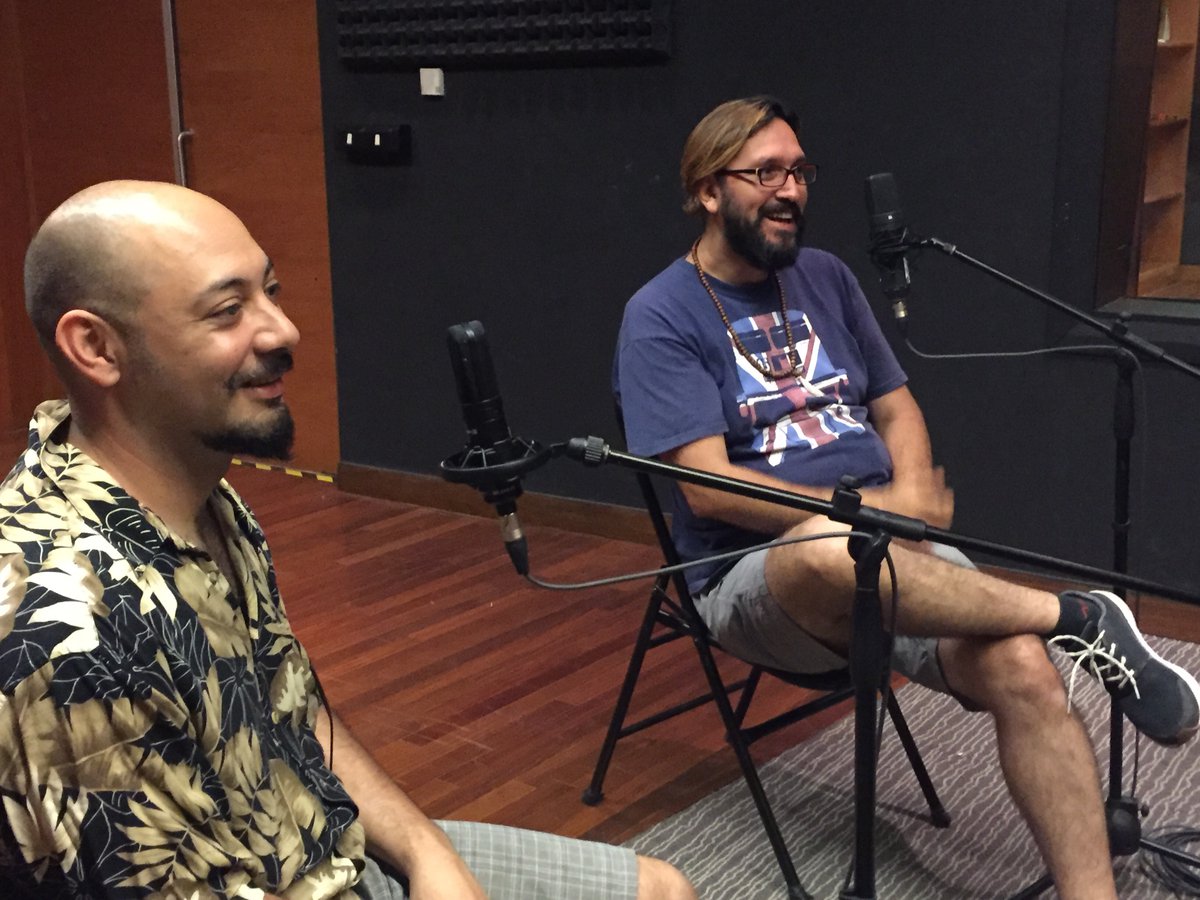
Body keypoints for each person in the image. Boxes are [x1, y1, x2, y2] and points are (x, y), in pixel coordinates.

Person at [0, 180, 696, 900]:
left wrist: (427, 855)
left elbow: (291, 708)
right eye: (228, 311)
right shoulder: (61, 633)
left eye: (270, 292)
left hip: (322, 848)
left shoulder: (199, 494)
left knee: (660, 890)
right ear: (96, 347)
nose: (283, 331)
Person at [613, 95, 1200, 900]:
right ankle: (1077, 617)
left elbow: (895, 405)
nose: (790, 191)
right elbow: (706, 489)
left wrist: (914, 487)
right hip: (757, 577)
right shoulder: (659, 314)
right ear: (708, 190)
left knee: (1023, 667)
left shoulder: (826, 277)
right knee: (828, 548)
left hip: (888, 546)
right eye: (766, 173)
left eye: (799, 171)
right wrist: (864, 512)